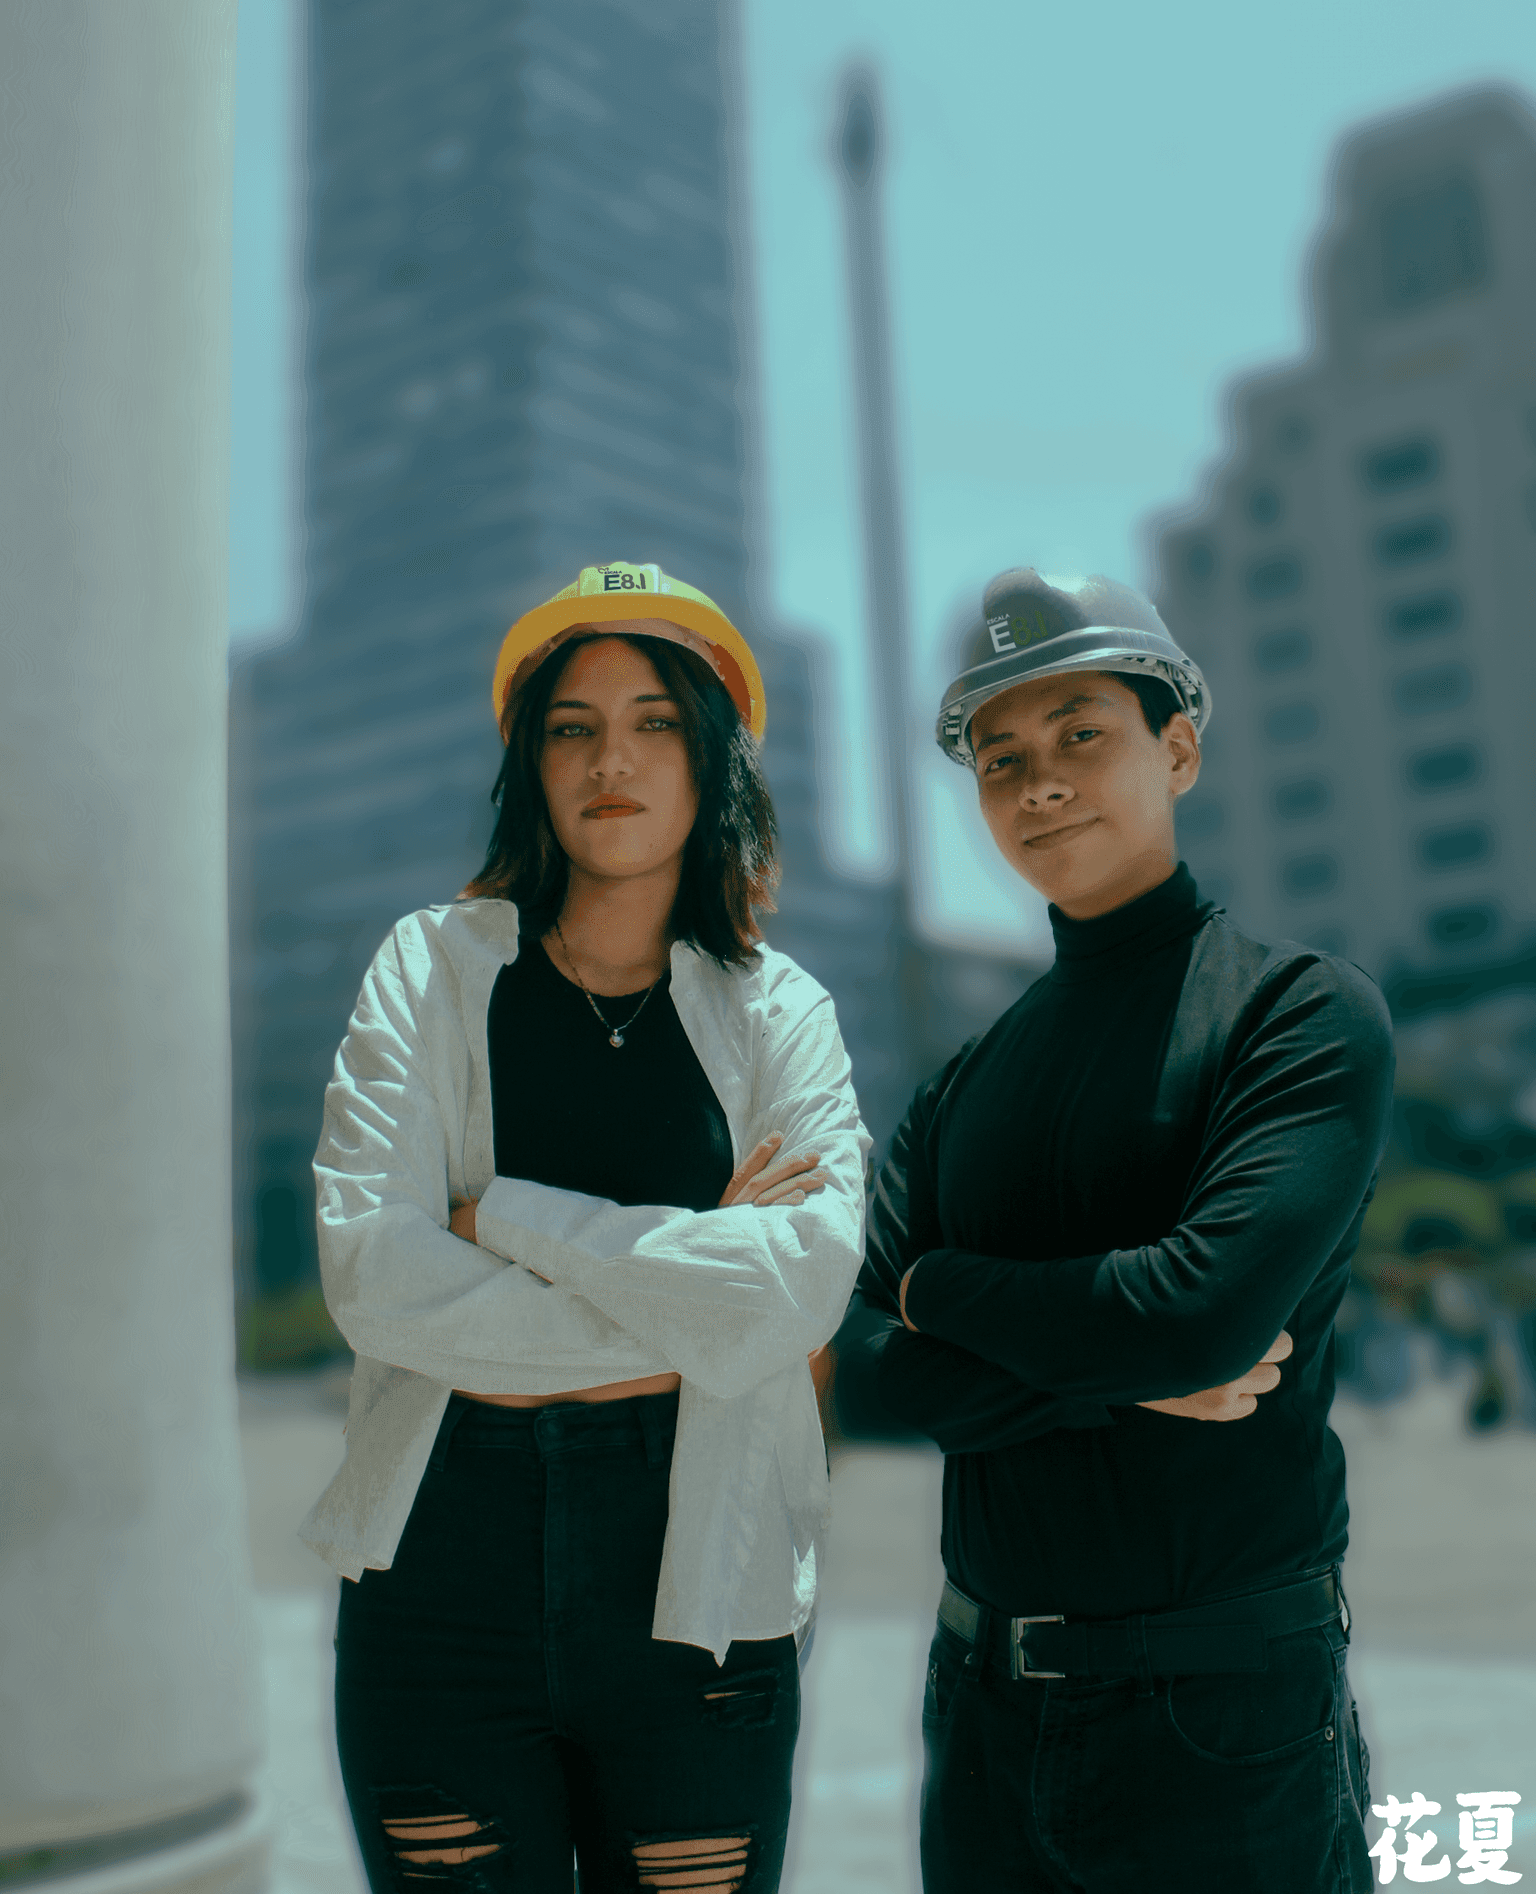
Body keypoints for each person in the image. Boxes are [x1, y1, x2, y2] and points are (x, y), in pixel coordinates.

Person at [301, 562, 870, 1894]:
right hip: (436, 1598)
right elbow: (378, 1279)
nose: (612, 756)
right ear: (532, 764)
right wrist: (687, 1310)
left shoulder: (778, 1011)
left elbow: (797, 1292)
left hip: (701, 1609)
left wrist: (501, 1217)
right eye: (573, 725)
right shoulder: (429, 972)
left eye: (655, 720)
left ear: (711, 753)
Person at [825, 568, 1393, 1893]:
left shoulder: (1298, 1017)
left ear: (1178, 746)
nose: (1041, 782)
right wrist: (1124, 1376)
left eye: (1083, 733)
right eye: (1003, 757)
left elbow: (1196, 1315)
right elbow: (855, 1371)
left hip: (1223, 1716)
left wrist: (941, 1285)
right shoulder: (958, 1088)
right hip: (982, 1708)